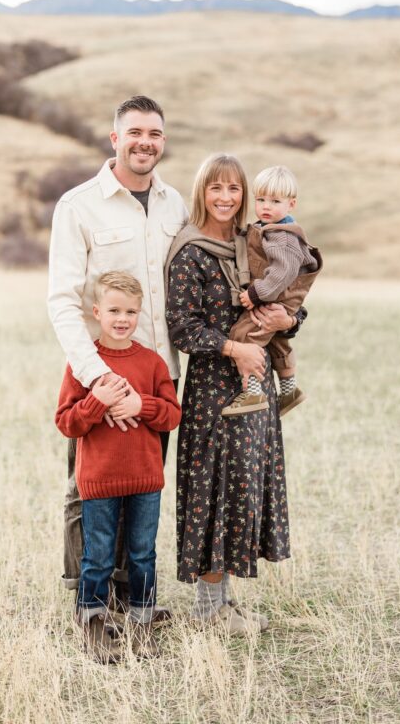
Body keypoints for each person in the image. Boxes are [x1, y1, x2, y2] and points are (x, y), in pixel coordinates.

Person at [47, 95, 187, 608]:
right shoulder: (78, 205)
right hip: (99, 379)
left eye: (154, 134)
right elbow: (63, 302)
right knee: (89, 493)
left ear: (162, 142)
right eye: (135, 133)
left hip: (156, 378)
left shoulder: (175, 204)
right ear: (115, 139)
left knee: (142, 491)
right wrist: (98, 379)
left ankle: (135, 602)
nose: (145, 142)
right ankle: (89, 603)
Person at [165, 153, 302, 634]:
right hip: (214, 390)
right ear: (201, 191)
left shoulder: (255, 242)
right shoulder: (190, 252)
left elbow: (288, 298)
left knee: (242, 490)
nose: (225, 198)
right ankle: (206, 611)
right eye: (215, 188)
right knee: (211, 490)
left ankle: (223, 605)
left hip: (256, 386)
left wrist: (291, 320)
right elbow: (182, 326)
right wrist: (232, 350)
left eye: (234, 189)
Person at [55, 271, 181, 662]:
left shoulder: (152, 362)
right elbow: (66, 422)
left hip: (145, 479)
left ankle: (142, 623)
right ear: (97, 312)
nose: (122, 319)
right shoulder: (83, 364)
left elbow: (172, 416)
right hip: (99, 480)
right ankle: (93, 620)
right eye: (113, 310)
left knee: (143, 552)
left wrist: (140, 405)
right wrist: (98, 400)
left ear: (140, 314)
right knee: (99, 554)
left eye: (130, 311)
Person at [222, 164, 322, 417]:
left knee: (247, 332)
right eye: (261, 199)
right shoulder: (271, 229)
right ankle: (289, 390)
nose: (266, 206)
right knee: (277, 340)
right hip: (280, 296)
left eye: (275, 201)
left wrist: (256, 294)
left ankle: (253, 391)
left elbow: (282, 273)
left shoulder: (283, 237)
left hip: (277, 295)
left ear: (291, 204)